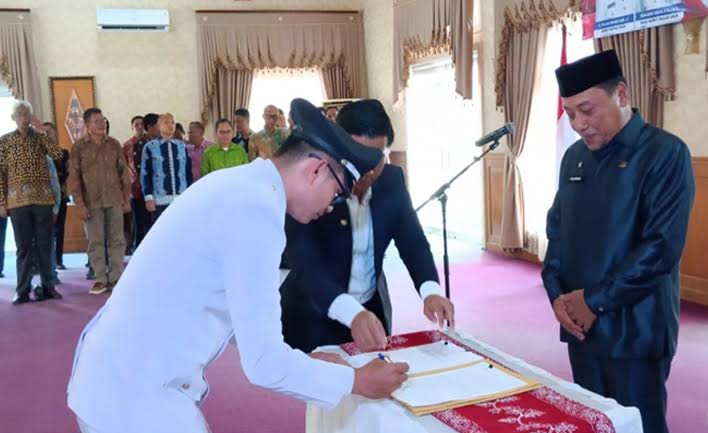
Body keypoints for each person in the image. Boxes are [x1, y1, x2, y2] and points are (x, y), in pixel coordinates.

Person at [67, 98, 409, 433]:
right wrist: (355, 380)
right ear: (316, 170)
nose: (331, 207)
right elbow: (264, 364)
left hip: (120, 376)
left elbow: (233, 308)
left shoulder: (244, 187)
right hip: (134, 393)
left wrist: (307, 363)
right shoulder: (256, 212)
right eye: (336, 193)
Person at [543, 50, 695, 433]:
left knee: (639, 425)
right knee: (593, 421)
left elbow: (660, 248)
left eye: (587, 110)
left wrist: (594, 301)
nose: (578, 124)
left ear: (622, 95)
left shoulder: (665, 153)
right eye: (570, 113)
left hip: (636, 329)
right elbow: (557, 231)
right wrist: (557, 296)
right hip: (581, 327)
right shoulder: (574, 157)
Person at [281, 99, 455, 352]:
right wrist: (351, 313)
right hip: (314, 314)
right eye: (357, 155)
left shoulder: (392, 181)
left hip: (370, 313)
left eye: (376, 158)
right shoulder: (313, 186)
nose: (367, 169)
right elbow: (304, 264)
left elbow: (413, 242)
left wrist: (430, 290)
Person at [0, 101, 63, 304]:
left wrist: (42, 130)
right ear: (13, 118)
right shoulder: (5, 141)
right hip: (17, 202)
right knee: (23, 247)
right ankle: (23, 290)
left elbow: (57, 154)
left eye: (26, 114)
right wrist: (2, 202)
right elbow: (1, 174)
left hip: (43, 199)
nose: (23, 118)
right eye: (19, 114)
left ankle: (48, 287)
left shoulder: (40, 138)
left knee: (45, 244)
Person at [68, 108, 132, 295]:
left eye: (103, 120)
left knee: (117, 240)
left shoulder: (114, 144)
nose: (101, 124)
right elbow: (74, 178)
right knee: (96, 242)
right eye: (96, 121)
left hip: (114, 199)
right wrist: (79, 204)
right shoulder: (79, 147)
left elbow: (124, 173)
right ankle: (100, 279)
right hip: (91, 203)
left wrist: (126, 198)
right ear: (87, 124)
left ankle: (116, 277)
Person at [140, 113, 192, 222]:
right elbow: (145, 173)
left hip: (181, 198)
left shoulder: (181, 146)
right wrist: (148, 198)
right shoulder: (150, 147)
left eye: (172, 122)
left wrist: (190, 193)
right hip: (159, 201)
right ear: (159, 126)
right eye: (166, 122)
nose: (170, 125)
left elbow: (188, 172)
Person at [129, 113, 159, 249]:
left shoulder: (163, 143)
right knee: (142, 225)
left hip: (161, 193)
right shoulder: (140, 145)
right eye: (159, 125)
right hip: (143, 192)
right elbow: (141, 171)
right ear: (151, 127)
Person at [121, 115, 145, 254]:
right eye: (136, 124)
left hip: (149, 189)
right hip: (134, 188)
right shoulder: (127, 145)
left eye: (142, 124)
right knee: (136, 221)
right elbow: (123, 167)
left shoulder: (150, 142)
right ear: (132, 127)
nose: (139, 127)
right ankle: (136, 248)